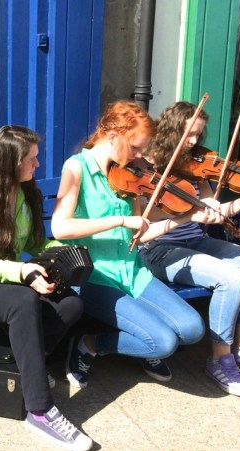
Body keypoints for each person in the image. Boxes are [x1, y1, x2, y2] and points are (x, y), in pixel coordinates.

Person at [0, 125, 92, 451]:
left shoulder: (24, 192)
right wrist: (21, 270)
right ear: (11, 161)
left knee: (70, 304)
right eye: (32, 159)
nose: (38, 165)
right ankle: (40, 410)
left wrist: (65, 258)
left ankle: (27, 370)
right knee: (24, 300)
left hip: (9, 287)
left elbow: (37, 243)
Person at [51, 100, 206, 388]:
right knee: (163, 342)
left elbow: (140, 235)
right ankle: (89, 345)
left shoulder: (130, 174)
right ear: (113, 137)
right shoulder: (76, 168)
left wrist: (186, 218)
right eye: (135, 147)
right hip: (96, 277)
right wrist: (119, 222)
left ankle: (144, 341)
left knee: (193, 328)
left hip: (134, 272)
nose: (140, 156)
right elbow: (60, 227)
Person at [140, 101, 240, 397]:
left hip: (197, 243)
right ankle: (220, 358)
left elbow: (220, 208)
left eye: (197, 136)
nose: (193, 142)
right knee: (232, 277)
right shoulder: (147, 168)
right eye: (188, 134)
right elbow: (145, 224)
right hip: (161, 249)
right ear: (170, 130)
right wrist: (189, 215)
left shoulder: (195, 168)